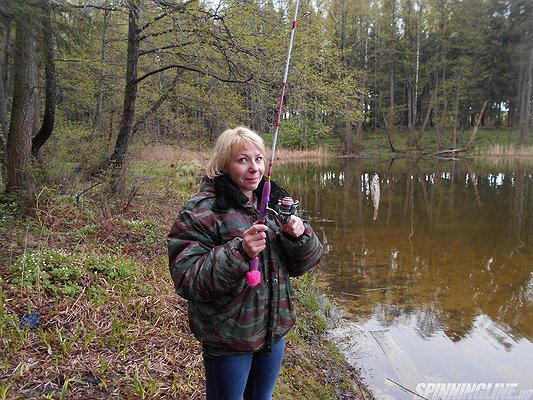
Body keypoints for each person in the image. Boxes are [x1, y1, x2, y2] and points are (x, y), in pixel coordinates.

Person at [167, 126, 323, 400]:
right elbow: (187, 278)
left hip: (273, 331)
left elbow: (305, 263)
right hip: (228, 336)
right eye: (242, 160)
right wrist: (240, 251)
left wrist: (299, 237)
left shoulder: (274, 202)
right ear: (223, 164)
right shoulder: (202, 210)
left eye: (258, 159)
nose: (254, 168)